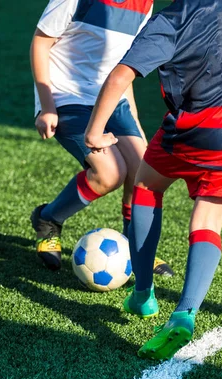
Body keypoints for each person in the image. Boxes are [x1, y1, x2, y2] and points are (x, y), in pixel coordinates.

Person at [84, 0, 222, 359]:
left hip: (197, 131)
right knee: (206, 223)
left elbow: (122, 75)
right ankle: (184, 314)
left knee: (145, 186)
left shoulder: (169, 21)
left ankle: (142, 295)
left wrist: (94, 132)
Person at [29, 0, 174, 276]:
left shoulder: (144, 4)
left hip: (110, 99)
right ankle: (48, 218)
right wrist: (47, 107)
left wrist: (132, 119)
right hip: (65, 97)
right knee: (110, 173)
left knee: (144, 168)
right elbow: (40, 43)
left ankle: (137, 244)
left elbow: (125, 64)